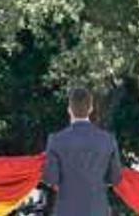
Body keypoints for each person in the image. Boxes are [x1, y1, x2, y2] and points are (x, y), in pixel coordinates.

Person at [41, 87, 123, 216]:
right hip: (98, 210)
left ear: (69, 109)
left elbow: (51, 178)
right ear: (90, 109)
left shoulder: (55, 140)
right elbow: (116, 178)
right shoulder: (108, 140)